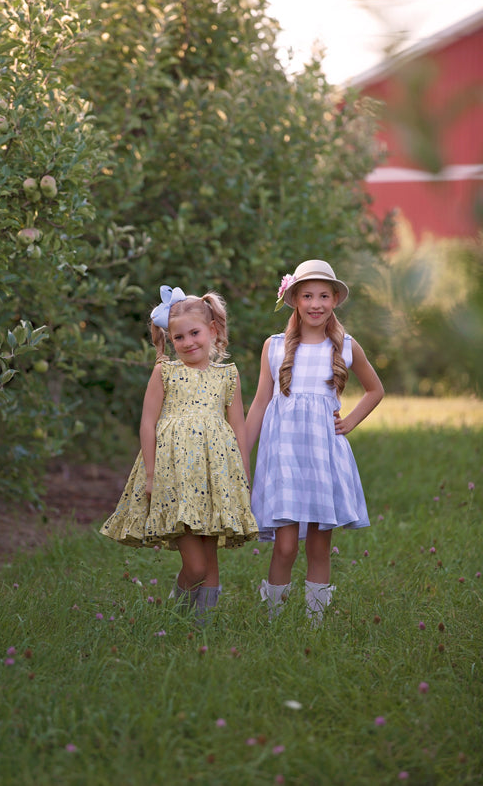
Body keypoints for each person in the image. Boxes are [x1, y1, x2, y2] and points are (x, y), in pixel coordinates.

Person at [101, 284, 258, 624]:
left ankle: (199, 629)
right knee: (196, 565)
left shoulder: (227, 376)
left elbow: (238, 426)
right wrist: (153, 473)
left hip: (214, 476)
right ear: (169, 340)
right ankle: (176, 612)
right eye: (179, 338)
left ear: (212, 330)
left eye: (195, 333)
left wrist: (243, 473)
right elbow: (147, 423)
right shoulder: (165, 372)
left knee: (211, 563)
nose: (188, 343)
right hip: (175, 477)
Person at [246, 260, 384, 624]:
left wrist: (350, 421)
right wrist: (241, 450)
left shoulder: (346, 346)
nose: (316, 304)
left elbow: (375, 389)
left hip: (323, 457)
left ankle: (315, 624)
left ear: (336, 299)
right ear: (293, 299)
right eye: (307, 295)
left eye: (324, 295)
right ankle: (273, 620)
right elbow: (261, 401)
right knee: (286, 545)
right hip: (284, 457)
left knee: (320, 546)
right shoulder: (274, 347)